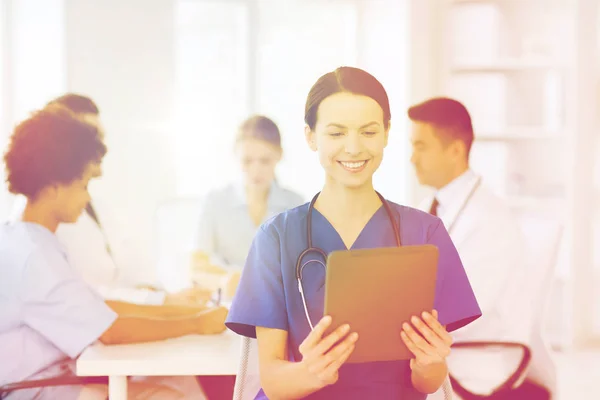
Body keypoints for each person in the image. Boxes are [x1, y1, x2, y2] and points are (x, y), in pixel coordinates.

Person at [225, 67, 482, 399]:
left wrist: (429, 363)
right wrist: (309, 372)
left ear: (387, 134)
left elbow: (429, 382)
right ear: (310, 137)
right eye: (336, 133)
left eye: (368, 131)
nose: (354, 147)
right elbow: (273, 381)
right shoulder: (275, 238)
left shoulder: (425, 233)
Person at [0, 106, 227, 400]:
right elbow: (110, 329)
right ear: (55, 187)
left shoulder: (32, 242)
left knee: (178, 384)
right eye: (83, 185)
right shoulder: (34, 257)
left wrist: (191, 311)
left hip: (54, 379)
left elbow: (102, 307)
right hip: (33, 391)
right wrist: (196, 324)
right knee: (169, 395)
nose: (88, 196)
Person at [9, 93, 210, 307]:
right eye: (90, 137)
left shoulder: (94, 206)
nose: (99, 148)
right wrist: (165, 305)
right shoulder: (38, 220)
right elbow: (85, 300)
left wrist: (159, 296)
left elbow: (131, 269)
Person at [408, 97, 548, 397]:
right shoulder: (430, 206)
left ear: (456, 150)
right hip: (443, 346)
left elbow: (462, 311)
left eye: (421, 147)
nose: (412, 158)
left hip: (479, 357)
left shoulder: (489, 219)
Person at [191, 115, 304, 297]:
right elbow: (196, 269)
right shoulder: (216, 201)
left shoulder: (296, 205)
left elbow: (304, 267)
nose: (256, 170)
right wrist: (225, 281)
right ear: (235, 155)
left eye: (265, 161)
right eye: (247, 161)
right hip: (228, 304)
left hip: (278, 303)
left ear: (279, 155)